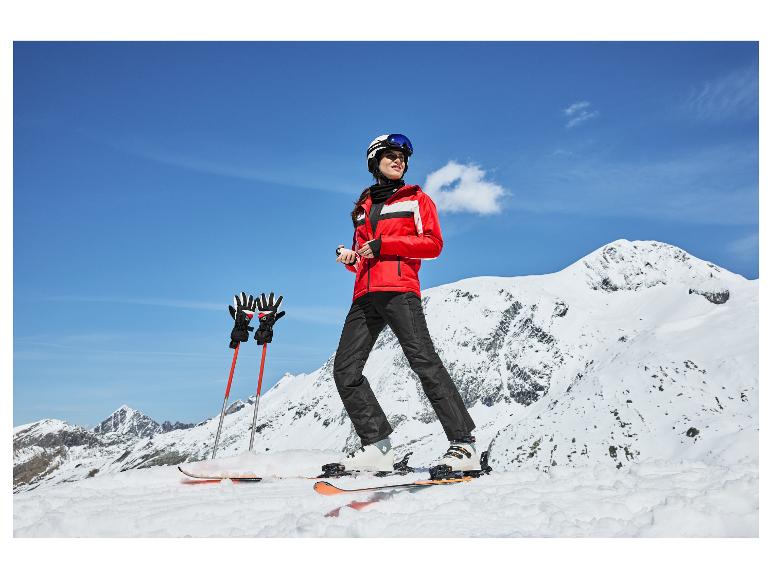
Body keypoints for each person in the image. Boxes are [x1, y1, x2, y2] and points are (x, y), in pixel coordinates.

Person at [333, 133, 479, 473]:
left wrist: (386, 244)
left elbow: (432, 244)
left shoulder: (418, 200)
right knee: (345, 370)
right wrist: (351, 258)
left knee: (424, 363)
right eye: (391, 155)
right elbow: (364, 257)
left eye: (402, 157)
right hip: (365, 294)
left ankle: (463, 444)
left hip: (400, 290)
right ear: (375, 161)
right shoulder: (362, 208)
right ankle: (378, 445)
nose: (399, 161)